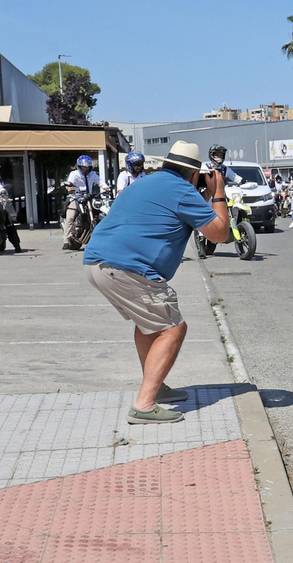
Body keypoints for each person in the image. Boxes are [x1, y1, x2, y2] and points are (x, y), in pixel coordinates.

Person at [81, 141, 232, 424]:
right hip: (127, 268)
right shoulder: (183, 191)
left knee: (150, 325)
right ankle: (144, 404)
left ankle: (156, 388)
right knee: (173, 328)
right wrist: (218, 193)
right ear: (194, 173)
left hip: (97, 262)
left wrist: (198, 193)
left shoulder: (147, 183)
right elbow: (220, 234)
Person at [62, 155, 103, 250]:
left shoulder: (92, 174)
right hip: (76, 197)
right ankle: (66, 240)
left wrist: (106, 187)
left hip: (89, 197)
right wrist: (70, 188)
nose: (85, 168)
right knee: (70, 216)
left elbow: (100, 181)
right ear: (79, 166)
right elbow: (69, 183)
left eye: (87, 166)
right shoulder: (74, 174)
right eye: (83, 166)